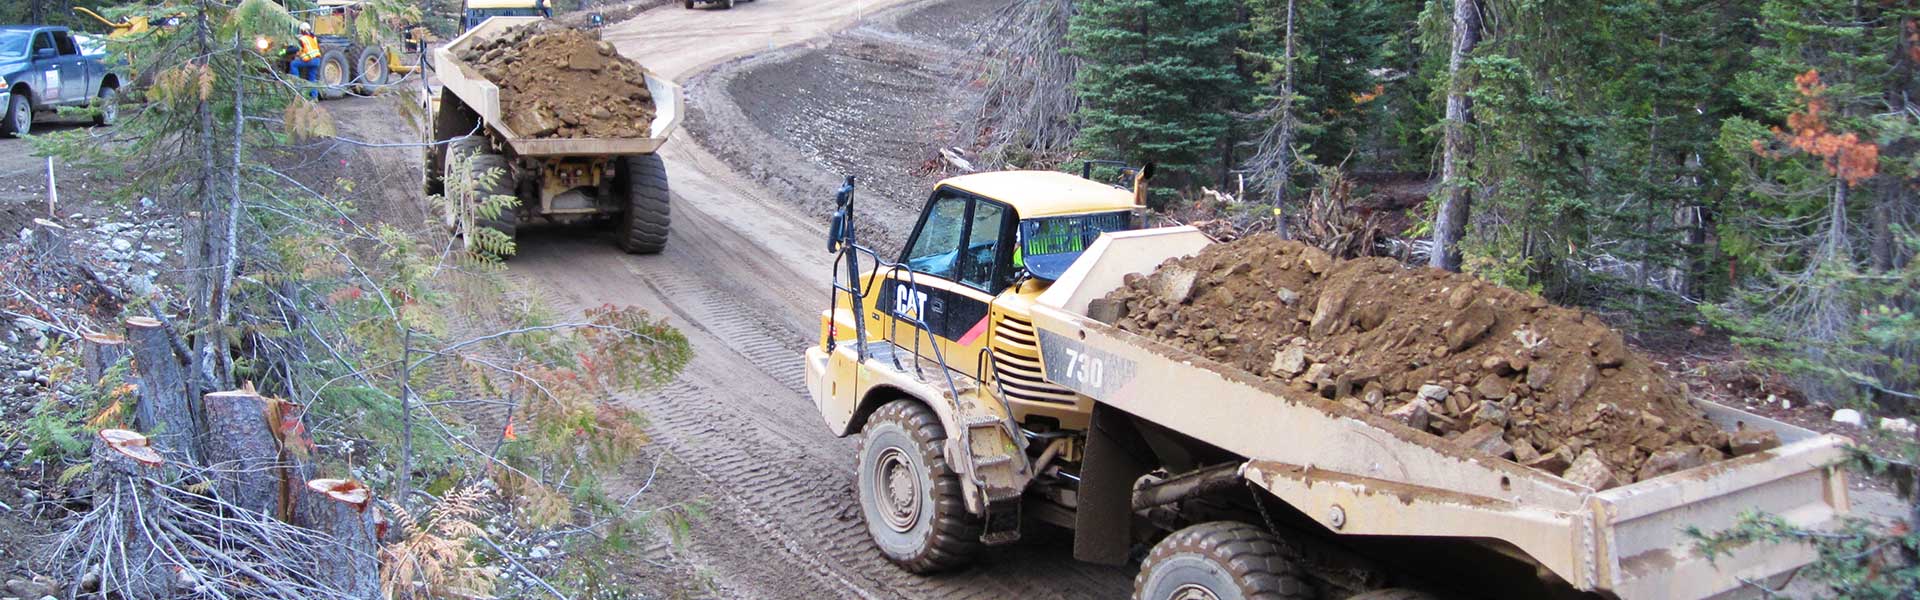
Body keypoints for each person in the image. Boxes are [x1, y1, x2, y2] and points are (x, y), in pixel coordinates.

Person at [289, 22, 323, 99]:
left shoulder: (302, 39)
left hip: (310, 60)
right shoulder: (313, 38)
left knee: (293, 64)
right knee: (312, 79)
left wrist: (282, 52)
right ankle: (314, 97)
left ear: (301, 30)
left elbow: (295, 49)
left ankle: (297, 85)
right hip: (317, 61)